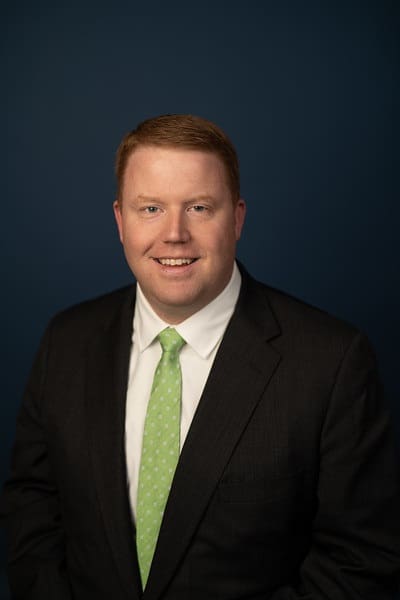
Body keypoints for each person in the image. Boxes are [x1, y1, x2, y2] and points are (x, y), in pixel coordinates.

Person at [1, 114, 400, 600]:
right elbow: (32, 507)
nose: (174, 234)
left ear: (237, 218)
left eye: (198, 208)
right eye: (150, 208)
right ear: (120, 221)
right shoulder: (66, 341)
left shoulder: (332, 362)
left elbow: (359, 562)